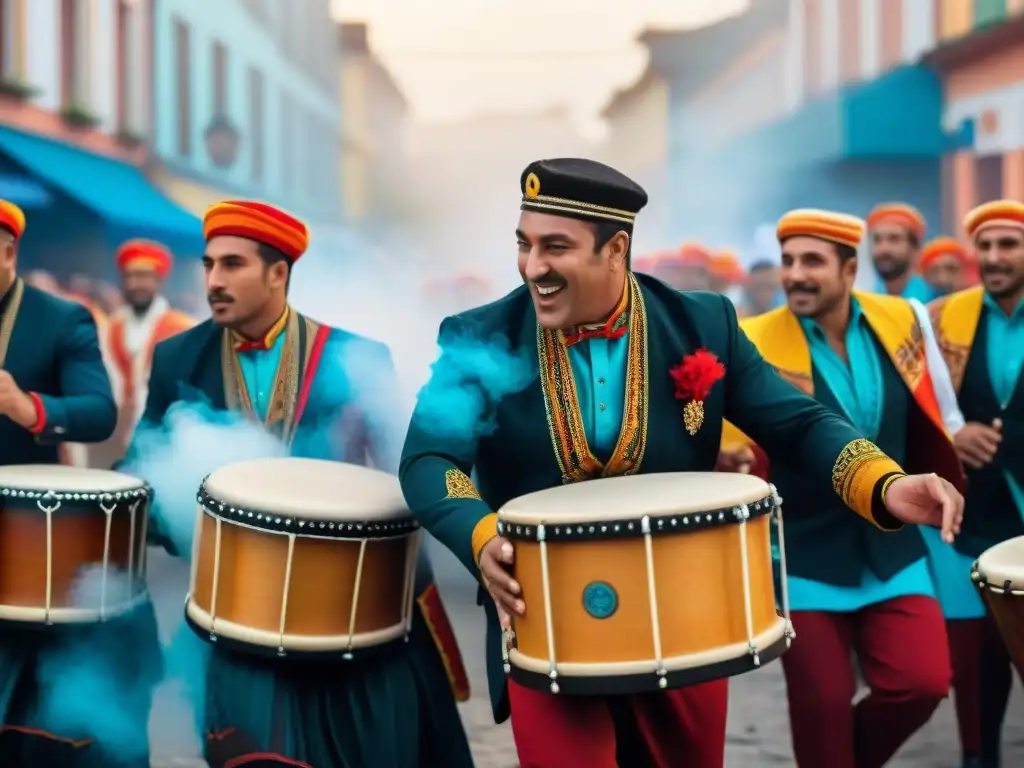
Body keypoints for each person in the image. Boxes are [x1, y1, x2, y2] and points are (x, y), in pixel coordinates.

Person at [399, 159, 965, 768]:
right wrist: (481, 535)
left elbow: (798, 424)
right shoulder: (477, 338)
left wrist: (885, 483)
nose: (533, 266)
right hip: (543, 626)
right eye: (524, 244)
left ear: (615, 250)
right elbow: (430, 458)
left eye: (555, 247)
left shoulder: (701, 324)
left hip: (683, 622)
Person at [125, 200, 473, 768]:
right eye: (208, 265)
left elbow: (403, 475)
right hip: (235, 607)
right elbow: (142, 467)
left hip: (350, 606)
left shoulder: (356, 356)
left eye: (232, 264)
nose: (214, 280)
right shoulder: (176, 359)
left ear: (278, 272)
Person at [719, 208, 964, 768]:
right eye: (787, 261)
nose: (795, 275)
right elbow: (729, 435)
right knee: (822, 705)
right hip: (800, 556)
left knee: (923, 683)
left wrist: (956, 443)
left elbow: (938, 407)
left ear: (850, 269)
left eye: (812, 261)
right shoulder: (753, 339)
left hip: (895, 548)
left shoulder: (903, 318)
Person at [0, 201, 160, 768]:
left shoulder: (60, 319)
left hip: (23, 540)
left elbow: (99, 412)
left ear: (9, 251)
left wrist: (31, 408)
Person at [927, 199, 1024, 768]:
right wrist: (953, 434)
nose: (993, 257)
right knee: (979, 663)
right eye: (984, 246)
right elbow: (914, 407)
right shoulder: (942, 318)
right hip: (975, 520)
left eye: (1007, 245)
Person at [98, 239, 194, 466]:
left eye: (142, 276)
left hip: (165, 437)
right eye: (129, 276)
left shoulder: (181, 327)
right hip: (115, 438)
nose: (134, 284)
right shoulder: (111, 328)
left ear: (158, 279)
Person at [868, 202, 936, 303]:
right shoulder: (870, 298)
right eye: (877, 240)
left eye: (894, 239)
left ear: (915, 250)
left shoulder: (933, 304)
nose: (884, 248)